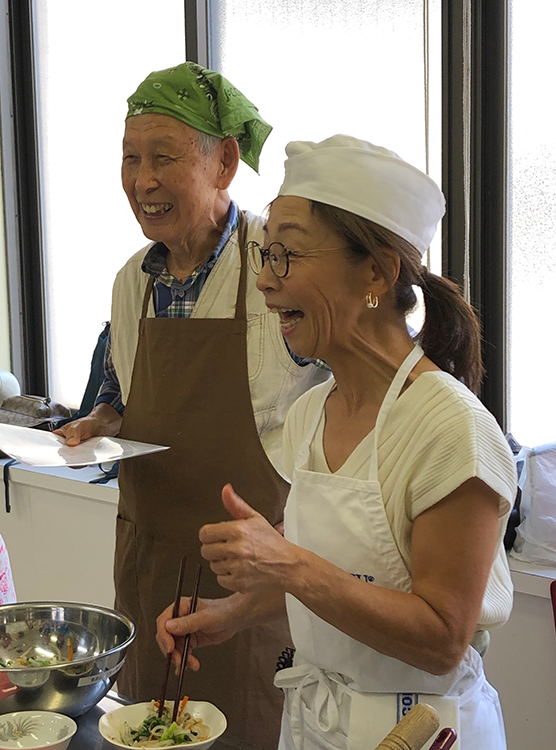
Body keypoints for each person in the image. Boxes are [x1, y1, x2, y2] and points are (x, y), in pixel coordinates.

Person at [155, 136, 517, 750]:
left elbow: (441, 636)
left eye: (289, 255)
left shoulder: (450, 428)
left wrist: (286, 561)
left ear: (376, 272)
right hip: (317, 724)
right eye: (265, 255)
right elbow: (348, 580)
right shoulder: (311, 415)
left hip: (422, 726)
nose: (266, 281)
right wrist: (236, 610)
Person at [54, 63, 327, 748]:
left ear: (225, 162)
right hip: (148, 570)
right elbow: (124, 394)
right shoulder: (130, 281)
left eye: (163, 158)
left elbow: (351, 394)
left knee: (253, 727)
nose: (142, 180)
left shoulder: (281, 260)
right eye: (130, 157)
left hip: (252, 577)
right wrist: (100, 422)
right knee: (146, 731)